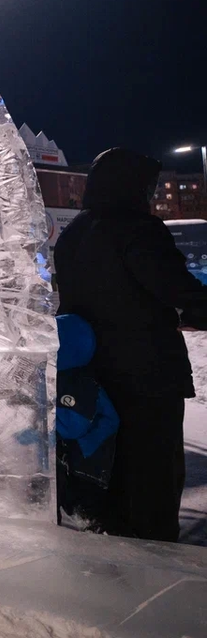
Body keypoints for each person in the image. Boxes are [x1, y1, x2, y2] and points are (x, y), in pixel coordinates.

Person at [54, 147, 207, 542]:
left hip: (92, 378)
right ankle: (154, 562)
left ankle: (115, 553)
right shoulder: (139, 229)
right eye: (148, 186)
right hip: (147, 378)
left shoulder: (73, 234)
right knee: (152, 478)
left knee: (108, 468)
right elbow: (178, 289)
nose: (151, 194)